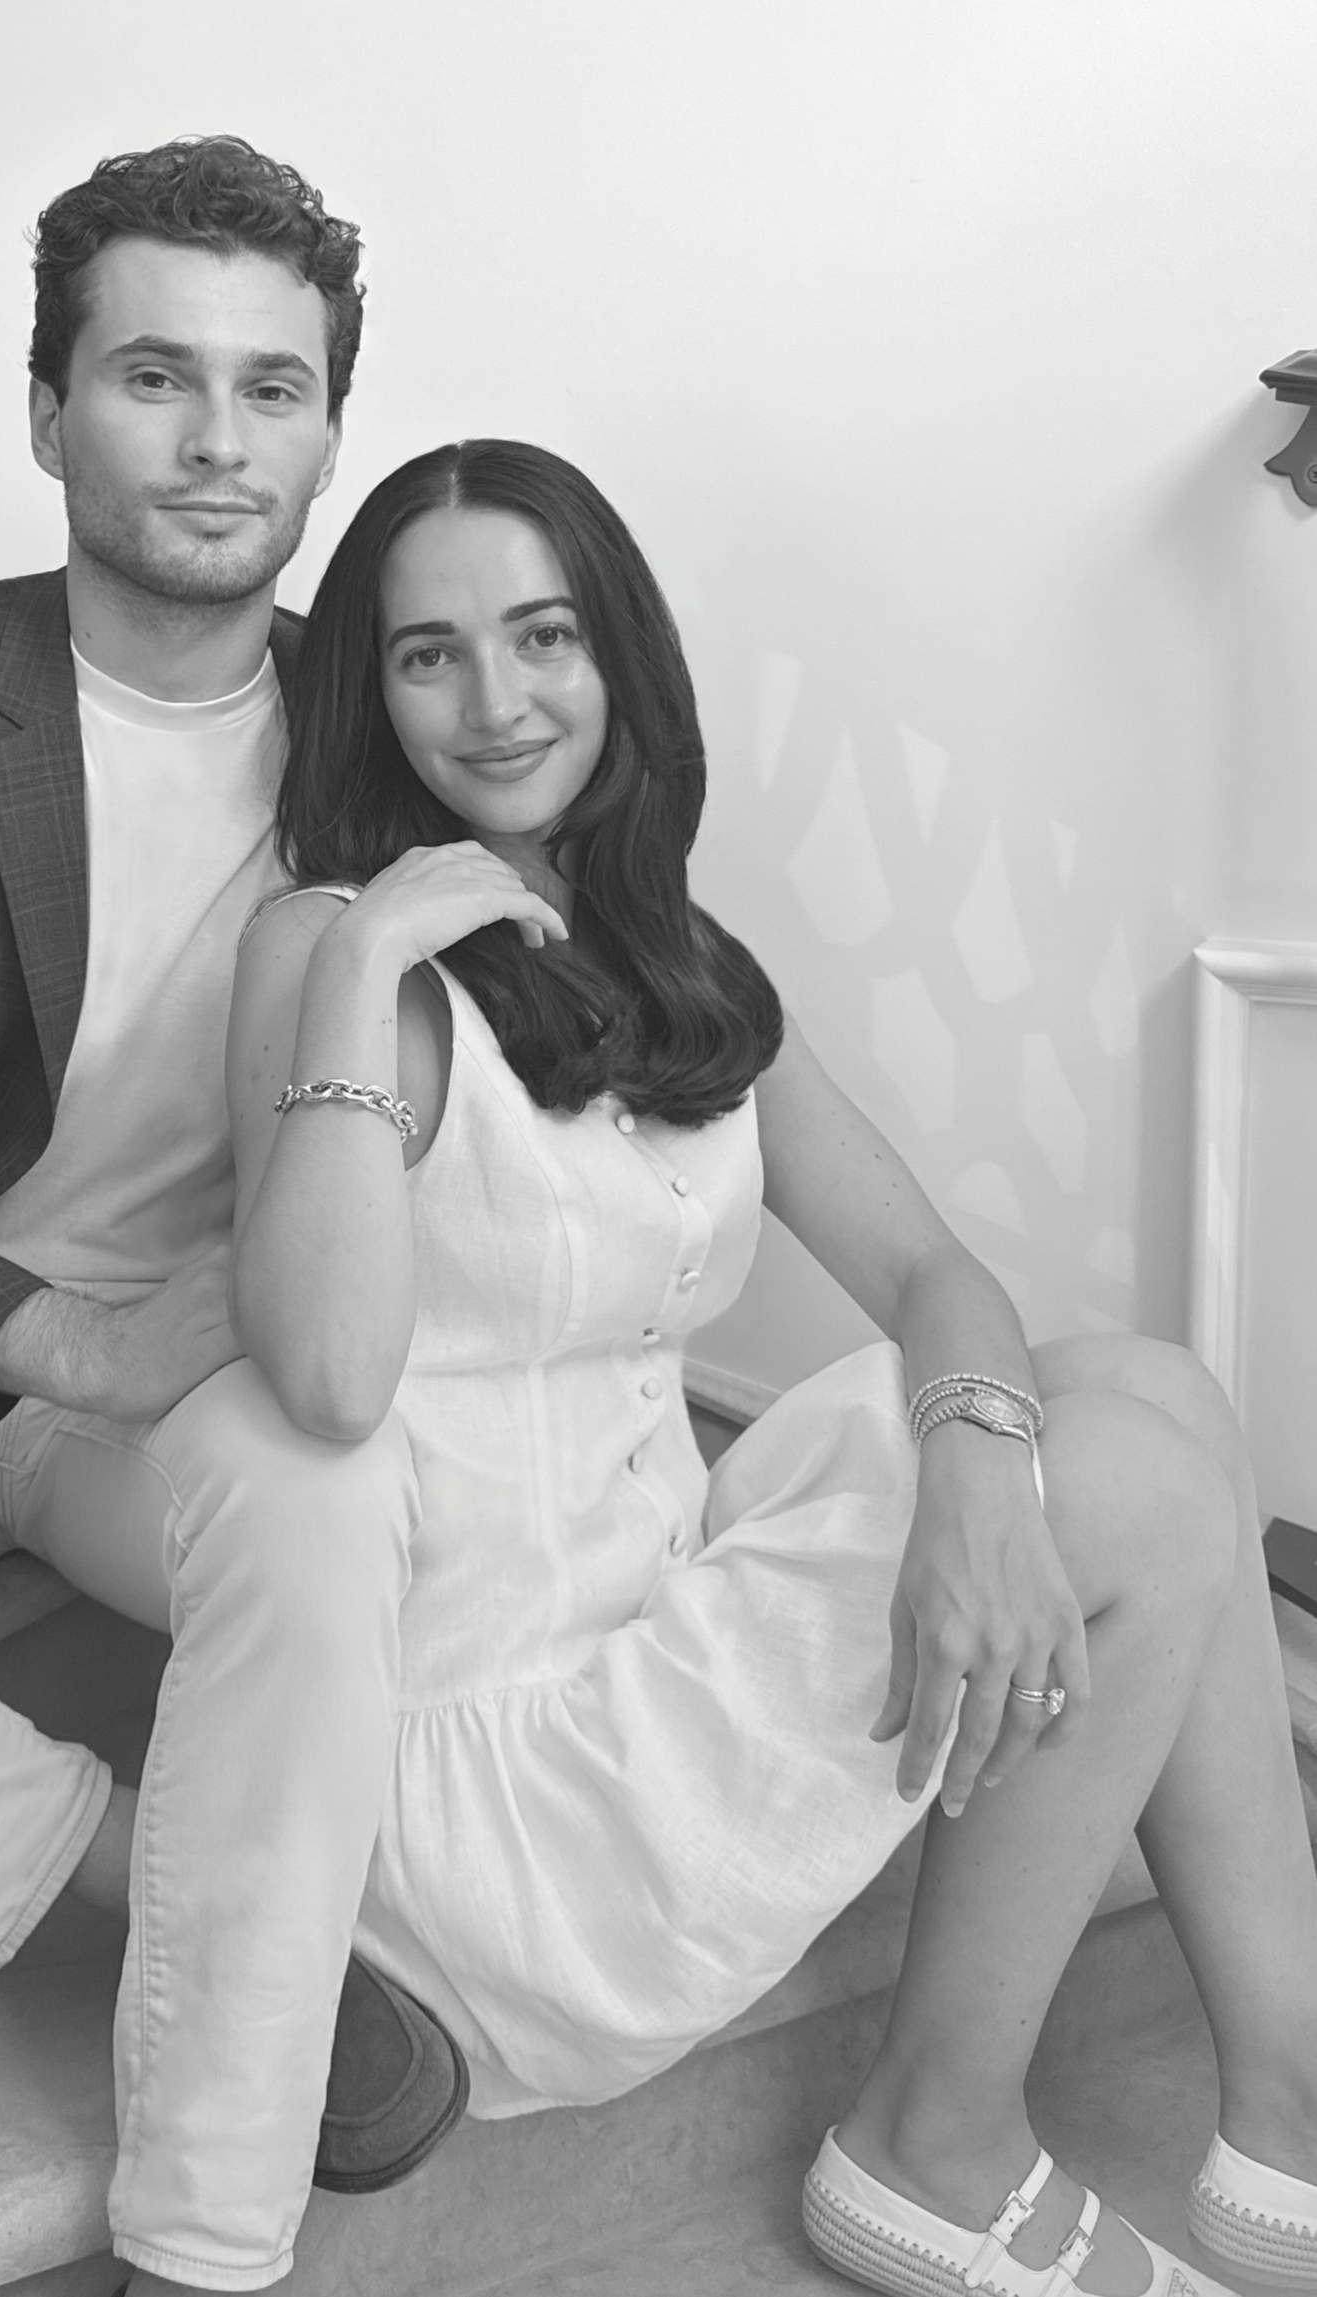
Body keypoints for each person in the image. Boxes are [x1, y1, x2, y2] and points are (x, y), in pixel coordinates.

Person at [218, 435, 1317, 2297]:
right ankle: (930, 2150)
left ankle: (1289, 2114)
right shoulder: (332, 956)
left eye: (542, 636)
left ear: (616, 662)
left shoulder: (672, 957)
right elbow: (321, 1378)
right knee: (1129, 1490)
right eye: (426, 655)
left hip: (660, 1598)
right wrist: (364, 945)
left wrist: (975, 1473)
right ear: (367, 696)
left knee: (1151, 1399)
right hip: (493, 1773)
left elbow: (931, 1272)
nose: (495, 701)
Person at [0, 140, 465, 2294]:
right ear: (47, 408)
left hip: (188, 1385)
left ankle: (205, 2246)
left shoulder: (394, 729)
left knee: (324, 1506)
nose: (220, 439)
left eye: (275, 385)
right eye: (154, 374)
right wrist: (53, 1338)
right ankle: (151, 1866)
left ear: (332, 425)